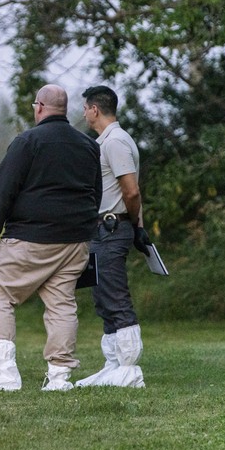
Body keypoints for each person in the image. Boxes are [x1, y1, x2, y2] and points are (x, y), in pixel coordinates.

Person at [0, 85, 101, 392]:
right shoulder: (88, 145)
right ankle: (59, 376)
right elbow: (96, 192)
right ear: (64, 109)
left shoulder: (28, 141)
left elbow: (2, 192)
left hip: (31, 236)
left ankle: (3, 372)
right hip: (76, 240)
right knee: (61, 303)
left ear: (39, 107)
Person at [76, 85, 151, 388]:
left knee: (115, 296)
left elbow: (131, 191)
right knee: (103, 297)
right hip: (102, 229)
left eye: (85, 108)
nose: (83, 113)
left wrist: (135, 226)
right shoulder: (105, 141)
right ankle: (113, 365)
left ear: (95, 109)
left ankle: (130, 368)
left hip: (112, 227)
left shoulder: (116, 142)